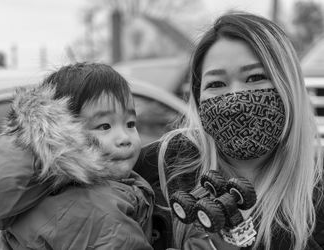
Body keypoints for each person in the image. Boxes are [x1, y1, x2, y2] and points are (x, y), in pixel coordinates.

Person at [134, 12, 324, 250]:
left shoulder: (316, 196)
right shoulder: (161, 166)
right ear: (198, 96)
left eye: (255, 77)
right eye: (216, 84)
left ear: (288, 85)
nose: (235, 98)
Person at [0, 62, 154, 249]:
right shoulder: (100, 211)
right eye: (104, 126)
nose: (124, 138)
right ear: (65, 136)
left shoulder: (39, 192)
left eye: (131, 124)